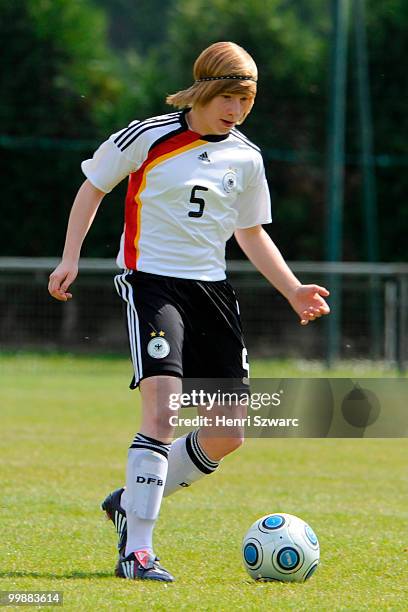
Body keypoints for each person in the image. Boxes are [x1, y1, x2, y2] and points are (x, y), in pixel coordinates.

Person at [48, 41, 330, 583]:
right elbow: (92, 188)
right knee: (162, 414)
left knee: (229, 433)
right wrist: (70, 259)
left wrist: (293, 290)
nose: (236, 109)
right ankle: (138, 550)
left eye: (245, 100)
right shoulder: (148, 136)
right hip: (153, 284)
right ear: (202, 90)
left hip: (214, 293)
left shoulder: (247, 157)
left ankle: (130, 496)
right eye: (227, 96)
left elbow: (250, 231)